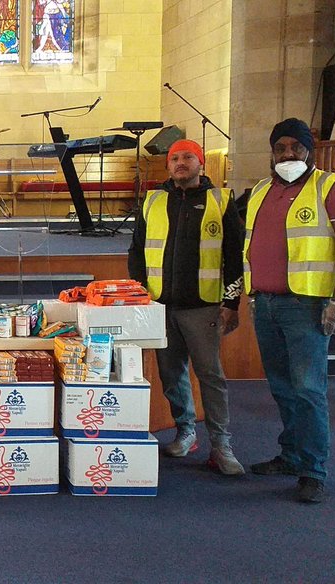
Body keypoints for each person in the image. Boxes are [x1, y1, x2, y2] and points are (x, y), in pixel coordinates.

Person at [244, 118, 335, 503]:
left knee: (309, 389)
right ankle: (291, 455)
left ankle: (314, 470)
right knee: (282, 388)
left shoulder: (332, 188)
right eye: (280, 148)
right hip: (265, 303)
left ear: (309, 151)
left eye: (295, 148)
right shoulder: (262, 189)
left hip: (308, 307)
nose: (288, 155)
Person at [128, 139, 245, 476]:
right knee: (171, 374)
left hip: (203, 306)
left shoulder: (219, 201)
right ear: (168, 165)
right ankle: (186, 432)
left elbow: (234, 257)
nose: (180, 163)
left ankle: (222, 446)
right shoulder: (153, 201)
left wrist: (232, 302)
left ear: (201, 163)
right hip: (159, 306)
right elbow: (136, 250)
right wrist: (139, 295)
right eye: (174, 158)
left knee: (211, 375)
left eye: (188, 157)